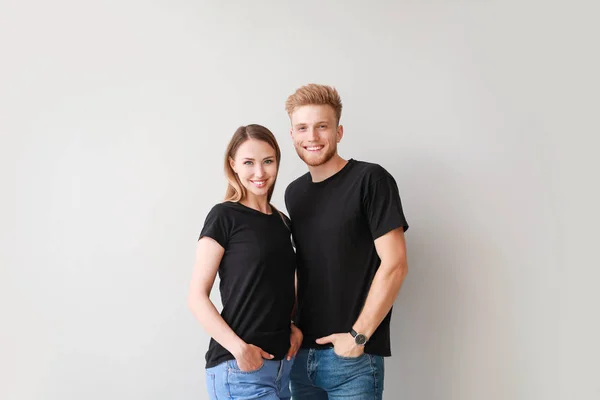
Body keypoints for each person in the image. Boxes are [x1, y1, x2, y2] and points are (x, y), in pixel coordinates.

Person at [284, 84, 409, 400]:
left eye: (321, 126)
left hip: (352, 360)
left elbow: (395, 264)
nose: (312, 136)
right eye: (303, 128)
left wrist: (358, 336)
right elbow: (302, 269)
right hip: (300, 357)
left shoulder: (371, 180)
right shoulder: (293, 194)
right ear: (292, 135)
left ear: (338, 132)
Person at [187, 124, 302, 400]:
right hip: (239, 370)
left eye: (268, 161)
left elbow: (280, 285)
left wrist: (294, 325)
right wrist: (240, 350)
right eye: (249, 162)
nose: (260, 172)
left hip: (282, 369)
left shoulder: (283, 222)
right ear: (233, 165)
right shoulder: (224, 216)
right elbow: (196, 297)